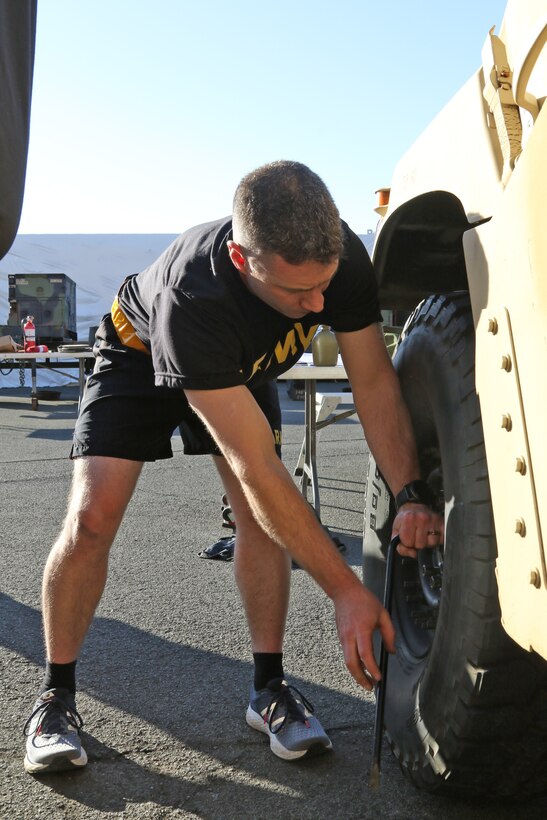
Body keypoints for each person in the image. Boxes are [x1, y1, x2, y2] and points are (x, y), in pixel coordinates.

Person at [23, 160, 443, 773]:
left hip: (239, 368)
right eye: (298, 293)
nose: (318, 303)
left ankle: (268, 690)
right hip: (141, 354)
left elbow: (374, 381)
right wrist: (346, 590)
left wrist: (410, 493)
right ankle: (55, 699)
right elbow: (259, 469)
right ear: (245, 261)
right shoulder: (192, 294)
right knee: (91, 519)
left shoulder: (339, 257)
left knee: (256, 519)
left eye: (324, 285)